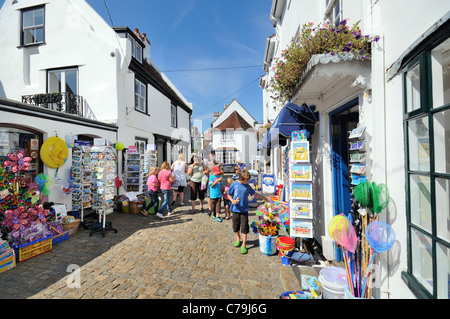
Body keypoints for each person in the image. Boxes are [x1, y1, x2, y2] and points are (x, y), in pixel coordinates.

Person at [228, 170, 269, 254]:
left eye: (248, 180)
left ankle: (243, 244)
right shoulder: (234, 185)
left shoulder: (247, 186)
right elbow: (229, 194)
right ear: (241, 178)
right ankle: (238, 238)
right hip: (235, 209)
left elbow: (255, 194)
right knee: (236, 225)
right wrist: (232, 201)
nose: (247, 182)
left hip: (244, 210)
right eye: (246, 180)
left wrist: (265, 198)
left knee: (244, 226)